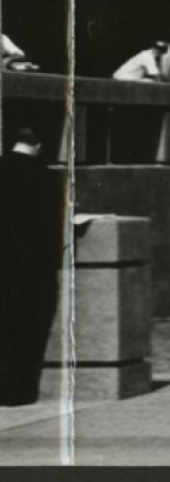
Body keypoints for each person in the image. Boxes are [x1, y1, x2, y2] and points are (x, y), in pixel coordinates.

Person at [0, 126, 64, 407]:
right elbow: (54, 226)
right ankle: (18, 393)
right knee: (28, 330)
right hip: (31, 267)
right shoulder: (47, 177)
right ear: (38, 146)